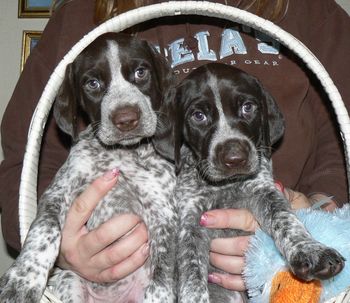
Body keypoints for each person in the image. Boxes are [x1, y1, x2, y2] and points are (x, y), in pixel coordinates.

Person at [1, 0, 349, 294]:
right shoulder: (80, 15)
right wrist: (63, 249)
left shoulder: (312, 12)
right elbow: (24, 165)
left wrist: (314, 217)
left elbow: (340, 147)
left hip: (289, 280)